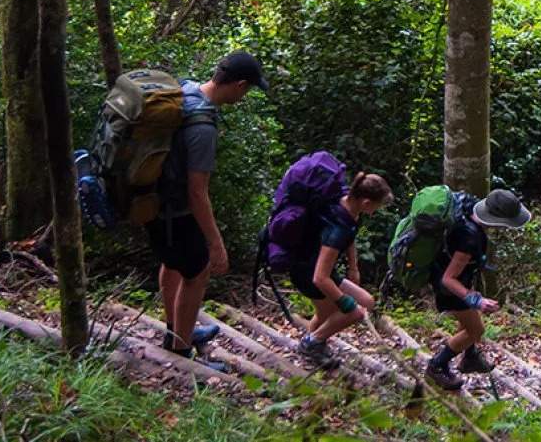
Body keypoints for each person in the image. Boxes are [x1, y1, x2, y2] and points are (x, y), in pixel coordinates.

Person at [150, 51, 268, 371]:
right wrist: (216, 243)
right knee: (197, 271)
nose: (244, 96)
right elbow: (197, 192)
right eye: (247, 90)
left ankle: (178, 329)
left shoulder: (186, 90)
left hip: (152, 202)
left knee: (173, 264)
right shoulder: (202, 125)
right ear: (239, 85)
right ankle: (181, 349)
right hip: (175, 210)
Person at [425, 189, 533, 390]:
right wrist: (476, 300)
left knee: (469, 323)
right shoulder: (469, 239)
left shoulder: (468, 207)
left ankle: (470, 356)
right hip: (451, 289)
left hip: (458, 279)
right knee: (475, 330)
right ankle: (436, 366)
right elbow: (448, 279)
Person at [292, 173, 394, 367]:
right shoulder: (338, 229)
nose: (377, 210)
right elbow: (319, 278)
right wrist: (344, 301)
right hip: (307, 272)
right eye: (377, 206)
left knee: (367, 302)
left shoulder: (347, 204)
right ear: (366, 203)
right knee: (352, 312)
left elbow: (351, 234)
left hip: (321, 269)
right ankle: (311, 344)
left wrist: (353, 267)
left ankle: (314, 342)